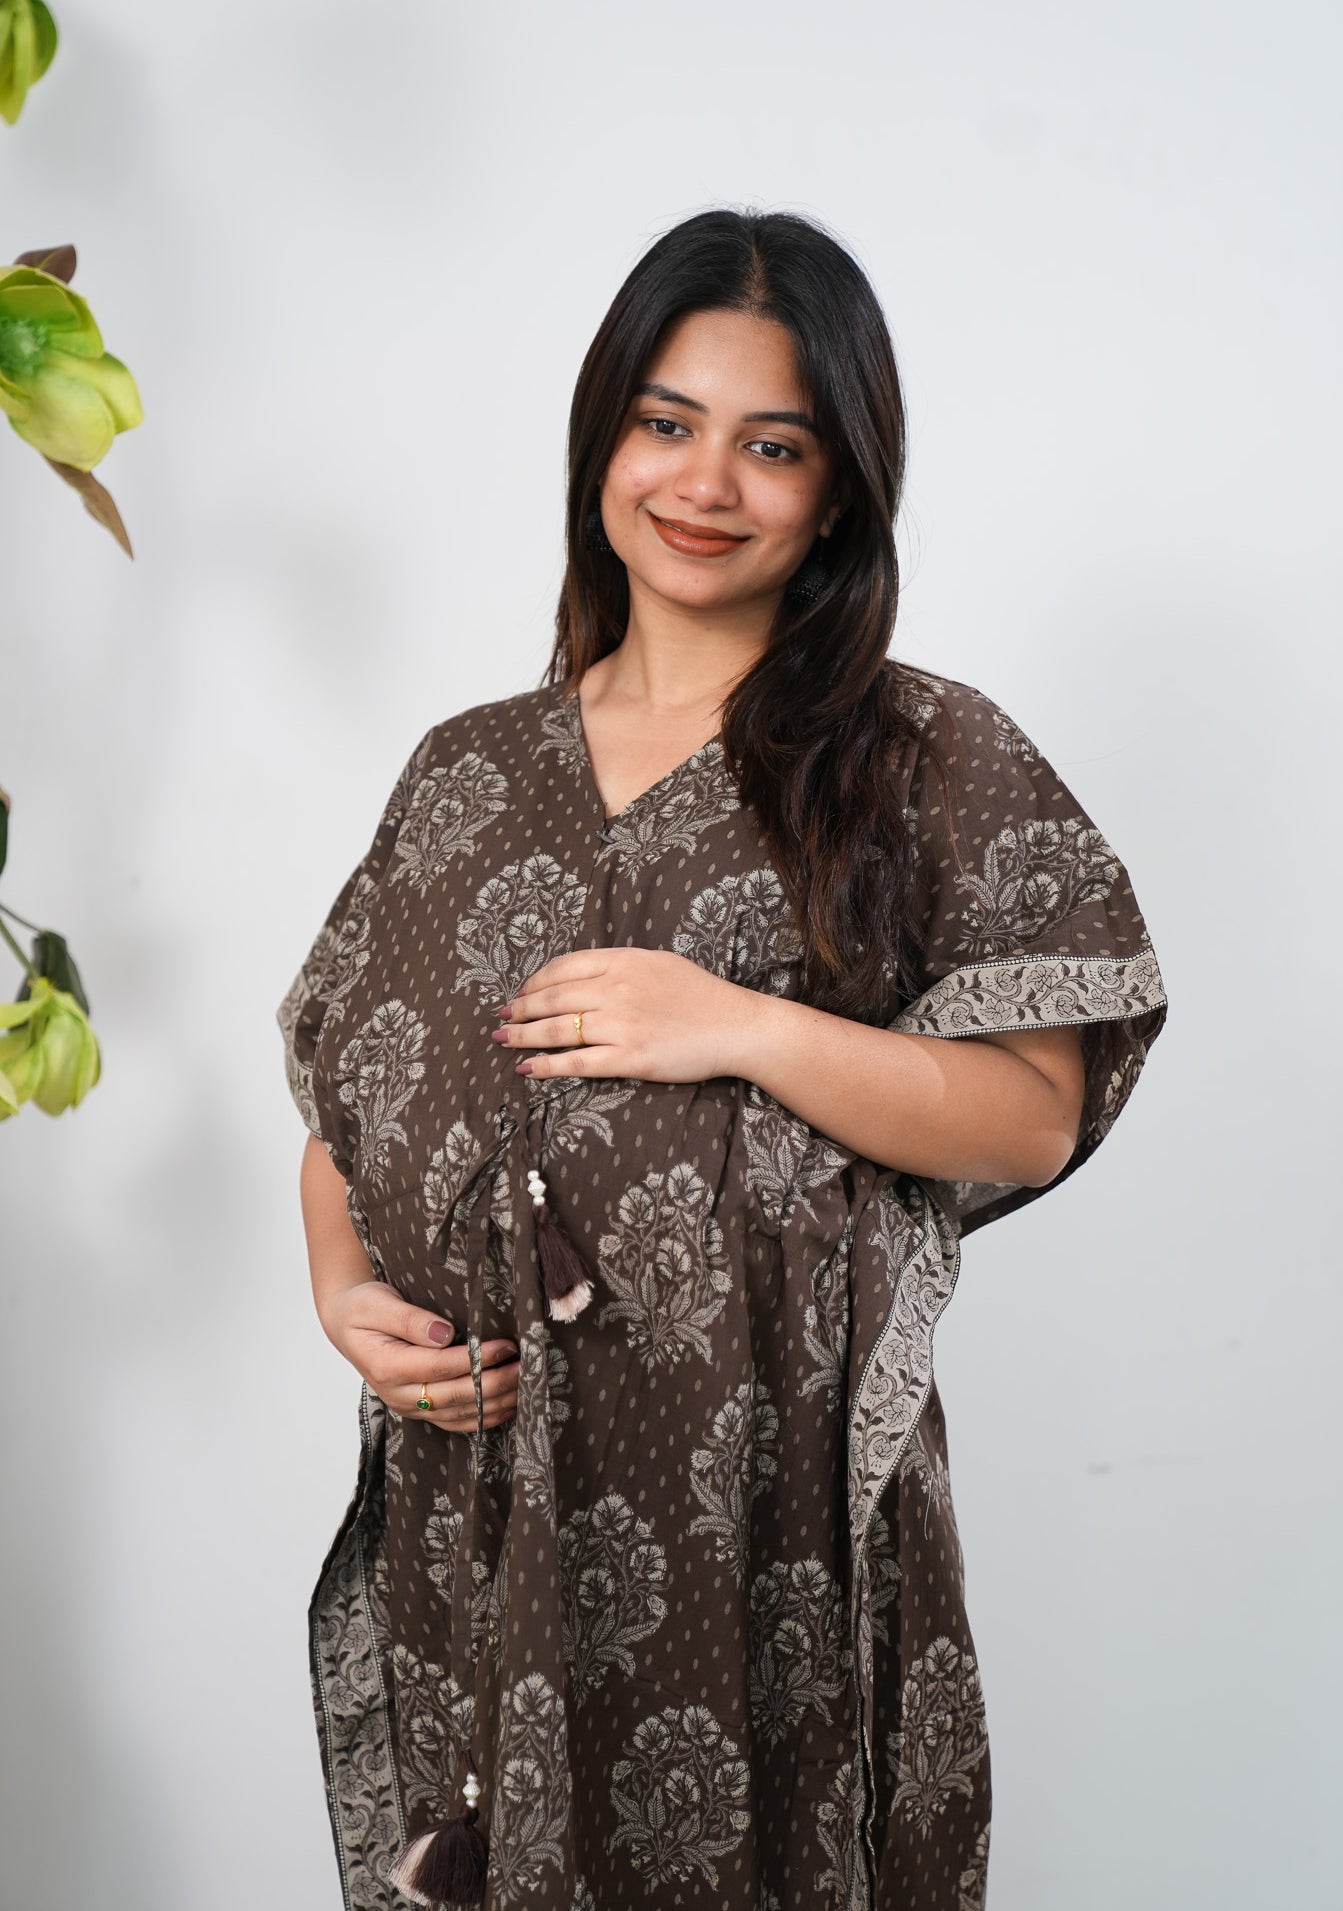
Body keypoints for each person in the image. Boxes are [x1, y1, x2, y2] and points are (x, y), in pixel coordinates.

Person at [277, 206, 1168, 1911]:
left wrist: (740, 1025)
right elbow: (348, 1095)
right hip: (481, 1497)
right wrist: (342, 1291)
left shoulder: (921, 755)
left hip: (765, 1509)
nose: (704, 484)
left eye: (772, 445)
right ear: (601, 443)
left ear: (836, 491)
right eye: (665, 423)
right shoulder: (465, 769)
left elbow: (1029, 1117)